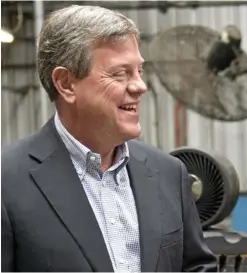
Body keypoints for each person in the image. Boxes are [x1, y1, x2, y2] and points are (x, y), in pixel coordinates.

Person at [1, 5, 218, 272]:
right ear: (66, 83)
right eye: (120, 73)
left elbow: (196, 267)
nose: (140, 86)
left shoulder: (168, 173)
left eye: (139, 71)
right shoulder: (7, 182)